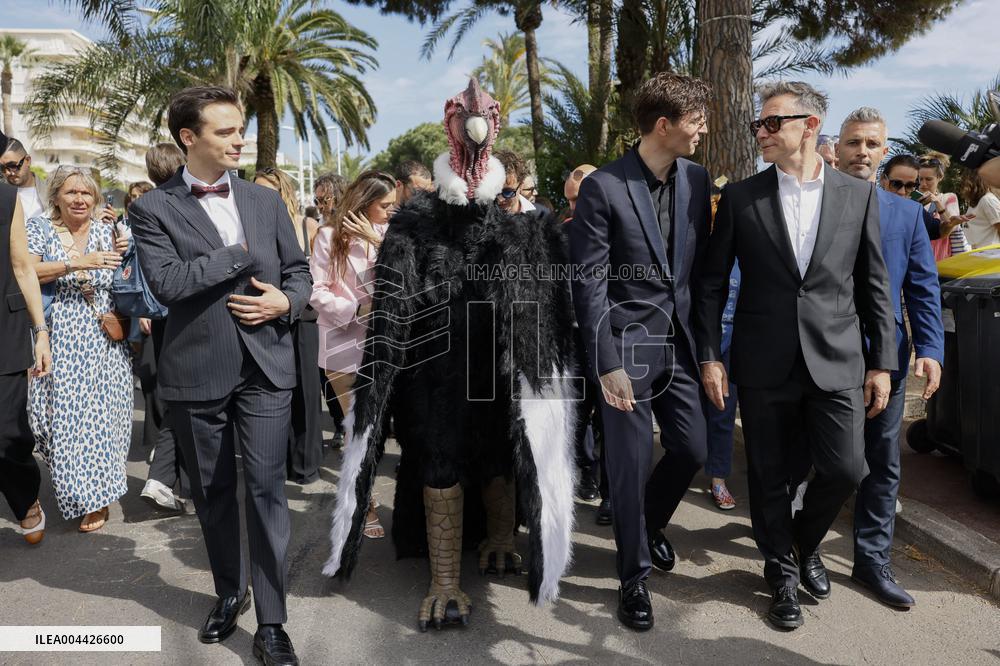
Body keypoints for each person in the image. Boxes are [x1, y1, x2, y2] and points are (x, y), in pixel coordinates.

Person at [324, 79, 577, 633]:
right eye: (467, 115)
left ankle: (501, 535)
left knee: (501, 451)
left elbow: (550, 318)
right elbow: (391, 312)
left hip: (497, 368)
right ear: (451, 125)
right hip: (434, 369)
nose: (475, 121)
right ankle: (443, 580)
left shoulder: (525, 231)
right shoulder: (412, 226)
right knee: (440, 456)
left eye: (483, 114)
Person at [697, 81, 896, 630]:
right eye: (757, 124)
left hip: (837, 359)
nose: (759, 132)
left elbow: (874, 286)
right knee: (766, 474)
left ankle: (804, 544)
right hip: (763, 359)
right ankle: (780, 573)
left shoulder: (859, 196)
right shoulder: (741, 196)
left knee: (847, 466)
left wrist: (881, 362)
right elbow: (711, 284)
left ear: (810, 126)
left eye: (771, 123)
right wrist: (711, 355)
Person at [128, 86, 311, 664]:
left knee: (266, 493)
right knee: (212, 494)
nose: (240, 139)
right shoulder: (152, 208)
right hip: (197, 369)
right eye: (227, 131)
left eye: (241, 129)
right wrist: (236, 253)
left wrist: (287, 303)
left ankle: (273, 621)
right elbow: (170, 285)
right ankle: (230, 592)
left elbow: (300, 271)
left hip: (265, 367)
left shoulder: (264, 201)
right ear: (189, 138)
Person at [569, 72, 713, 631]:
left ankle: (646, 525)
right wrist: (607, 363)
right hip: (625, 344)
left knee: (693, 447)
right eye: (696, 121)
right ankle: (633, 577)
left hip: (680, 342)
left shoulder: (697, 180)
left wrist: (707, 349)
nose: (703, 130)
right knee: (627, 465)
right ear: (664, 125)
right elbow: (590, 284)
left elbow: (697, 272)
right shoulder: (605, 187)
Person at [834, 107, 944, 609]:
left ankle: (872, 561)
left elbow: (922, 286)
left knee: (883, 461)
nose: (862, 152)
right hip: (822, 355)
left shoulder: (907, 215)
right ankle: (797, 548)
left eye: (872, 144)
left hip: (890, 358)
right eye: (853, 142)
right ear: (837, 148)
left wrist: (931, 349)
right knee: (821, 456)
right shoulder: (811, 204)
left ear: (883, 152)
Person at [25, 165, 132, 533]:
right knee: (55, 423)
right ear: (55, 196)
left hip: (103, 337)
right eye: (71, 192)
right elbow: (26, 272)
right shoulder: (39, 229)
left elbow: (126, 278)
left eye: (86, 193)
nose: (80, 199)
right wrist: (76, 262)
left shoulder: (108, 232)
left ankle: (96, 498)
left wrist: (129, 253)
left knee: (102, 422)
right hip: (58, 336)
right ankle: (77, 487)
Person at [310, 170, 394, 538]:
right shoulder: (328, 236)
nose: (392, 211)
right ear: (363, 203)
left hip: (387, 346)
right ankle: (367, 503)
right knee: (358, 431)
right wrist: (355, 310)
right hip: (343, 345)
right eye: (385, 205)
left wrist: (374, 240)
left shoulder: (389, 236)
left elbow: (405, 282)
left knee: (385, 431)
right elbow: (317, 291)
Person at [255, 166, 324, 485]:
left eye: (269, 190)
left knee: (308, 392)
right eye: (256, 190)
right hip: (267, 318)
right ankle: (278, 461)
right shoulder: (250, 226)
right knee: (275, 391)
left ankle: (306, 464)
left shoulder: (306, 225)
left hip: (305, 317)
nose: (261, 196)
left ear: (285, 193)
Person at [1, 128, 52, 546]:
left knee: (7, 432)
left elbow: (22, 268)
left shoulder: (7, 201)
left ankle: (24, 498)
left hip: (5, 330)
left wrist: (41, 332)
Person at [138, 142, 191, 513]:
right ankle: (173, 480)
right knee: (190, 399)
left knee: (175, 395)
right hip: (184, 313)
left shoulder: (143, 208)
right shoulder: (180, 205)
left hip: (157, 314)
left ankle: (164, 473)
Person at [561, 164, 608, 517]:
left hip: (609, 338)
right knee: (576, 414)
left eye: (580, 199)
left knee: (610, 419)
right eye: (570, 201)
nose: (575, 207)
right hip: (572, 340)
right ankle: (585, 475)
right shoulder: (560, 233)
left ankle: (612, 492)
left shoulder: (617, 230)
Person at [917, 153, 972, 259]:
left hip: (941, 259)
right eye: (920, 179)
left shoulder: (948, 198)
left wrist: (937, 203)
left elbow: (950, 226)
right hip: (917, 258)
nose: (923, 184)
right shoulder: (912, 199)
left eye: (928, 179)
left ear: (940, 177)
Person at [0, 138, 47, 221]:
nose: (8, 172)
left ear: (28, 160)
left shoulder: (51, 190)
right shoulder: (3, 194)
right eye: (2, 168)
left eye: (13, 166)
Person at [959, 169, 1000, 248]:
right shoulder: (977, 201)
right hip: (980, 252)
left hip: (991, 252)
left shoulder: (987, 200)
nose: (963, 186)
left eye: (965, 182)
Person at [494, 150, 536, 215]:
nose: (500, 199)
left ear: (521, 185)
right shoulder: (479, 218)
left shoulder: (541, 216)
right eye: (495, 192)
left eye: (508, 192)